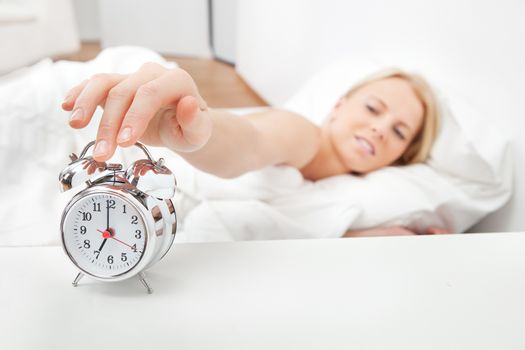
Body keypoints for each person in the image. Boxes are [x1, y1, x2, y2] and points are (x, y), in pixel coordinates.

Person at [61, 62, 450, 237]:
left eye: (399, 132)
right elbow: (249, 143)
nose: (380, 129)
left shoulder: (346, 193)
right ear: (339, 104)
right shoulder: (303, 134)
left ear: (402, 157)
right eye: (372, 108)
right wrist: (204, 134)